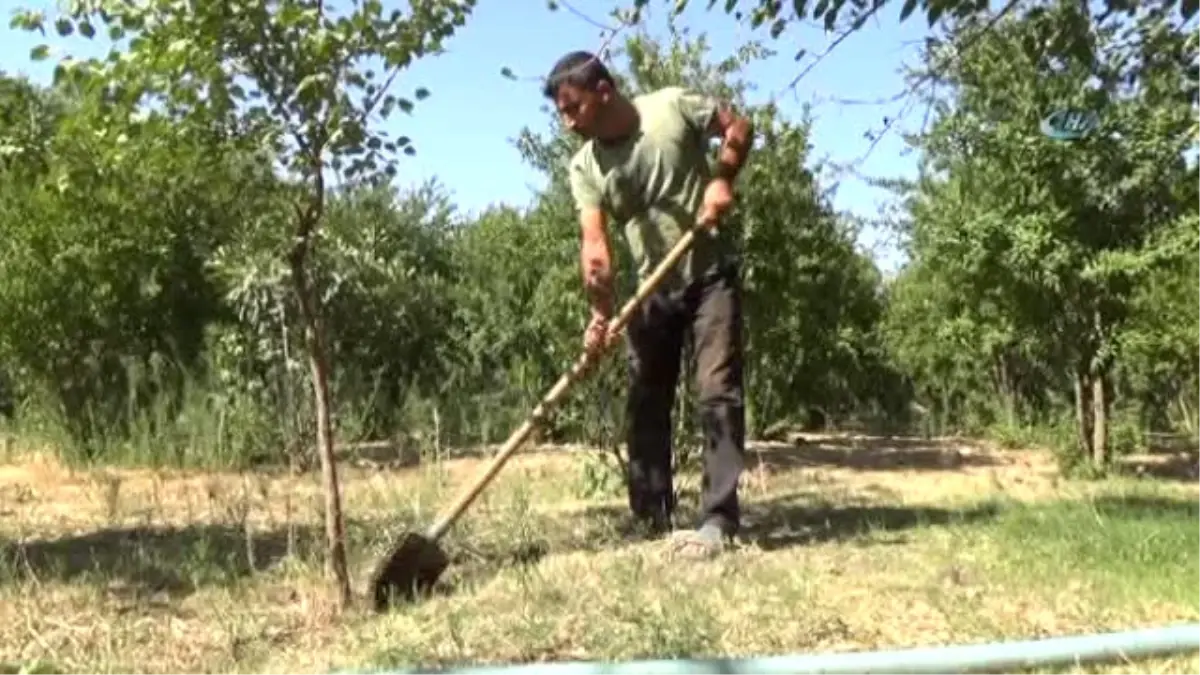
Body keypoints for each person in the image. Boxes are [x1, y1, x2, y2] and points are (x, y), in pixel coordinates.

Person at [541, 50, 755, 559]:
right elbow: (595, 245)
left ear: (604, 91)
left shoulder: (672, 107)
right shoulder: (586, 166)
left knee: (716, 390)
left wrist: (722, 177)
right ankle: (651, 517)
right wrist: (600, 314)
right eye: (561, 113)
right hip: (651, 291)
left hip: (708, 276)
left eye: (574, 108)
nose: (568, 122)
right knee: (645, 401)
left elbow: (738, 127)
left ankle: (718, 521)